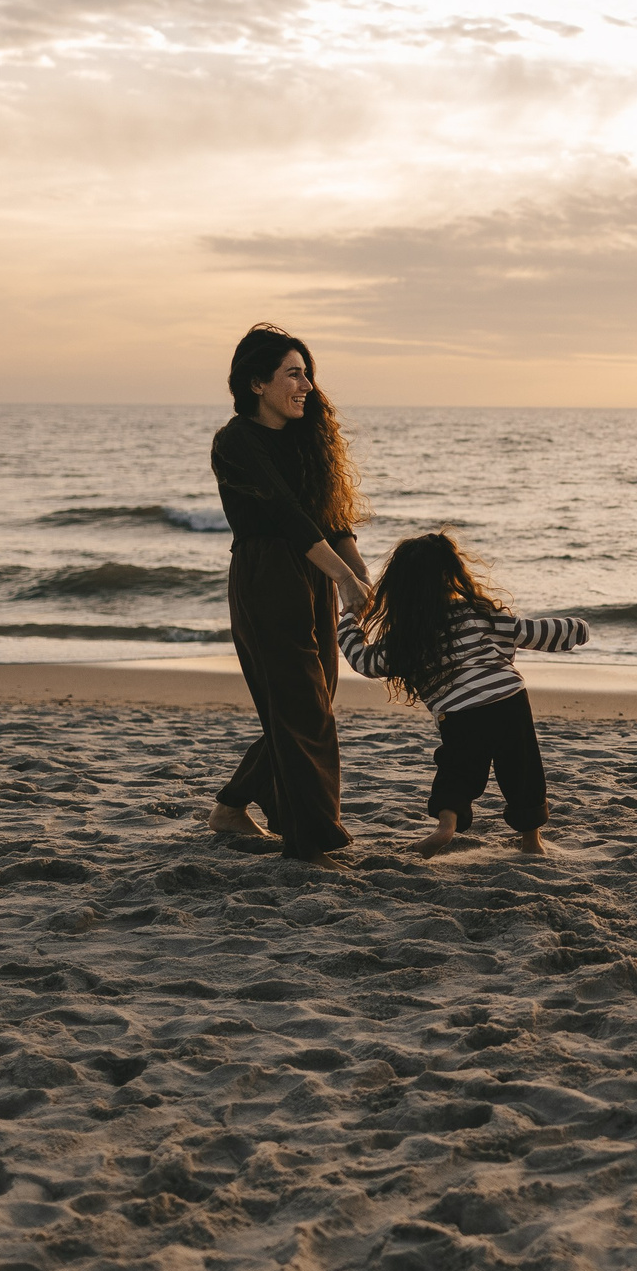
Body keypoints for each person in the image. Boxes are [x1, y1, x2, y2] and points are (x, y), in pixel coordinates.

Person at [208, 325, 372, 867]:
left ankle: (232, 807)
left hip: (311, 572)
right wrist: (341, 577)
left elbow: (329, 515)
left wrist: (360, 575)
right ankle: (310, 842)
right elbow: (285, 513)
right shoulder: (235, 441)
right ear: (258, 383)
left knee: (310, 704)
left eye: (308, 373)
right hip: (266, 577)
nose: (307, 385)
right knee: (304, 711)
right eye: (293, 374)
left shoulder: (306, 438)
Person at [337, 532, 589, 858]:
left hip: (458, 714)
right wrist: (577, 628)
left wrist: (349, 618)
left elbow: (364, 661)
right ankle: (532, 842)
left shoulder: (406, 637)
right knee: (522, 769)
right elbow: (531, 632)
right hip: (508, 701)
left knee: (457, 771)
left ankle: (445, 827)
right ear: (450, 574)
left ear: (400, 586)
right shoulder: (477, 612)